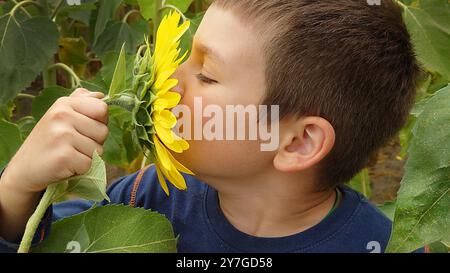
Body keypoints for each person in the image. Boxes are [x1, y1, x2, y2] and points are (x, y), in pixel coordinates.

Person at [0, 0, 421, 253]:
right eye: (186, 58)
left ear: (298, 141)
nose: (169, 83)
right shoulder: (145, 196)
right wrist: (17, 188)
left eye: (205, 75)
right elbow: (41, 241)